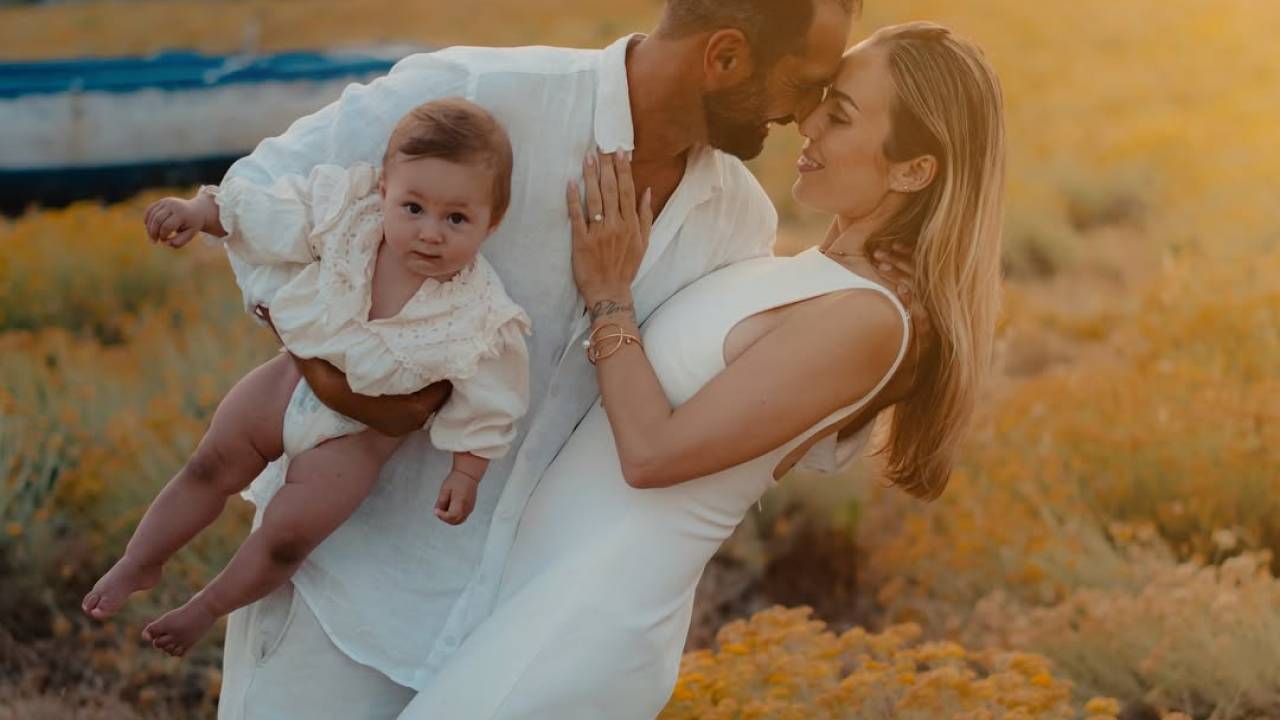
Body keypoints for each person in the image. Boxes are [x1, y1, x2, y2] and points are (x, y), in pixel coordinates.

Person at [205, 1, 923, 717]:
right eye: (803, 83)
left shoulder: (738, 222)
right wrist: (341, 376)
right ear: (725, 57)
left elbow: (745, 398)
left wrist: (900, 312)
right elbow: (256, 197)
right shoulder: (485, 94)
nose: (804, 114)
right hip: (345, 587)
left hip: (516, 631)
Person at [396, 20, 1005, 718]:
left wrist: (609, 295)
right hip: (530, 601)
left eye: (839, 116)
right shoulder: (811, 278)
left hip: (578, 630)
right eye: (821, 101)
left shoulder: (870, 319)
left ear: (913, 170)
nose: (807, 123)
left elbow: (653, 455)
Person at [81, 99, 532, 658]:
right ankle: (140, 561)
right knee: (207, 467)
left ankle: (208, 607)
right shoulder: (349, 220)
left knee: (287, 538)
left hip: (353, 441)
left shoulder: (482, 313)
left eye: (456, 219)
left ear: (493, 222)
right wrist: (202, 212)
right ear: (384, 191)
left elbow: (494, 397)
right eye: (413, 208)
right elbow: (273, 215)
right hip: (286, 383)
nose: (430, 233)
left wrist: (467, 470)